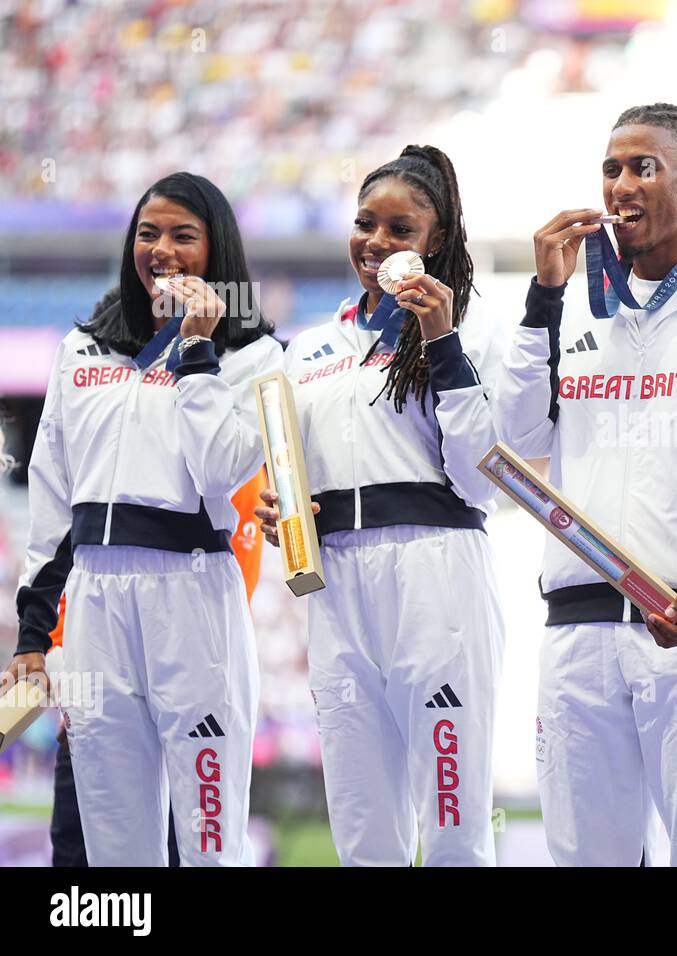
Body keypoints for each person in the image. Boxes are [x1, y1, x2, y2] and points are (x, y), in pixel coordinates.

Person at [494, 103, 677, 866]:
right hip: (578, 631)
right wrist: (542, 298)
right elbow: (518, 442)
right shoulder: (571, 296)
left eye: (643, 166)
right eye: (612, 168)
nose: (622, 183)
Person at [8, 172, 281, 866]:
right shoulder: (82, 349)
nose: (161, 250)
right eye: (148, 233)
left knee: (210, 839)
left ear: (215, 250)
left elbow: (223, 470)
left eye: (183, 236)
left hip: (195, 596)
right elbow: (51, 493)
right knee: (113, 849)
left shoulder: (254, 354)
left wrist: (196, 351)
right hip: (96, 599)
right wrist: (34, 635)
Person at [256, 145, 505, 866]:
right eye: (367, 223)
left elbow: (480, 480)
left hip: (437, 575)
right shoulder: (306, 348)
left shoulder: (472, 326)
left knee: (455, 822)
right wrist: (281, 514)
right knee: (364, 829)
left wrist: (441, 339)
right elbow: (290, 475)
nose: (377, 243)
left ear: (437, 241)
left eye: (401, 230)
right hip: (335, 583)